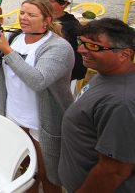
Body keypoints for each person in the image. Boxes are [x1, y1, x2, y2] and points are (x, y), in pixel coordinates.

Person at [0, 0, 74, 192]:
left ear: (46, 20)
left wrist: (7, 50)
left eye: (31, 15)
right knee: (26, 169)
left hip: (42, 122)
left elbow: (38, 80)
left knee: (49, 176)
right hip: (14, 115)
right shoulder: (15, 38)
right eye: (22, 13)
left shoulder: (58, 48)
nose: (24, 18)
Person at [58, 18, 135, 192]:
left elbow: (115, 170)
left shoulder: (122, 103)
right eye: (81, 42)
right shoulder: (106, 73)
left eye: (93, 46)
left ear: (124, 54)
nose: (80, 49)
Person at [32, 0, 85, 80]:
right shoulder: (38, 20)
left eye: (49, 1)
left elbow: (78, 64)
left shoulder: (73, 28)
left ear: (63, 4)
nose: (42, 4)